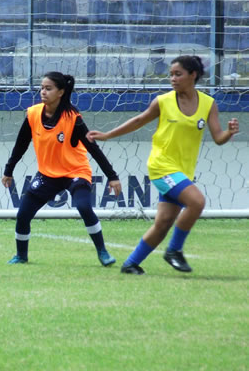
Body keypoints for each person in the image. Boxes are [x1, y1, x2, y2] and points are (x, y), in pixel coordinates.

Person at [87, 55, 240, 275]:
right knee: (197, 202)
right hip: (161, 167)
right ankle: (174, 251)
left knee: (164, 223)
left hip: (182, 172)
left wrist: (229, 132)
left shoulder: (208, 103)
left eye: (178, 74)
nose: (173, 79)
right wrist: (108, 135)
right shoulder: (163, 101)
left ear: (193, 75)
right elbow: (139, 120)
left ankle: (130, 264)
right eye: (170, 74)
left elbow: (218, 137)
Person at [2, 72, 122, 266]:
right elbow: (21, 144)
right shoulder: (33, 114)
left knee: (83, 206)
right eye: (42, 88)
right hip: (47, 175)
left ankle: (103, 252)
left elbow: (93, 148)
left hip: (75, 172)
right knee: (23, 214)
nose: (43, 92)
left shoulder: (73, 118)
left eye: (48, 88)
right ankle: (21, 256)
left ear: (61, 92)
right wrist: (9, 170)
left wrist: (112, 177)